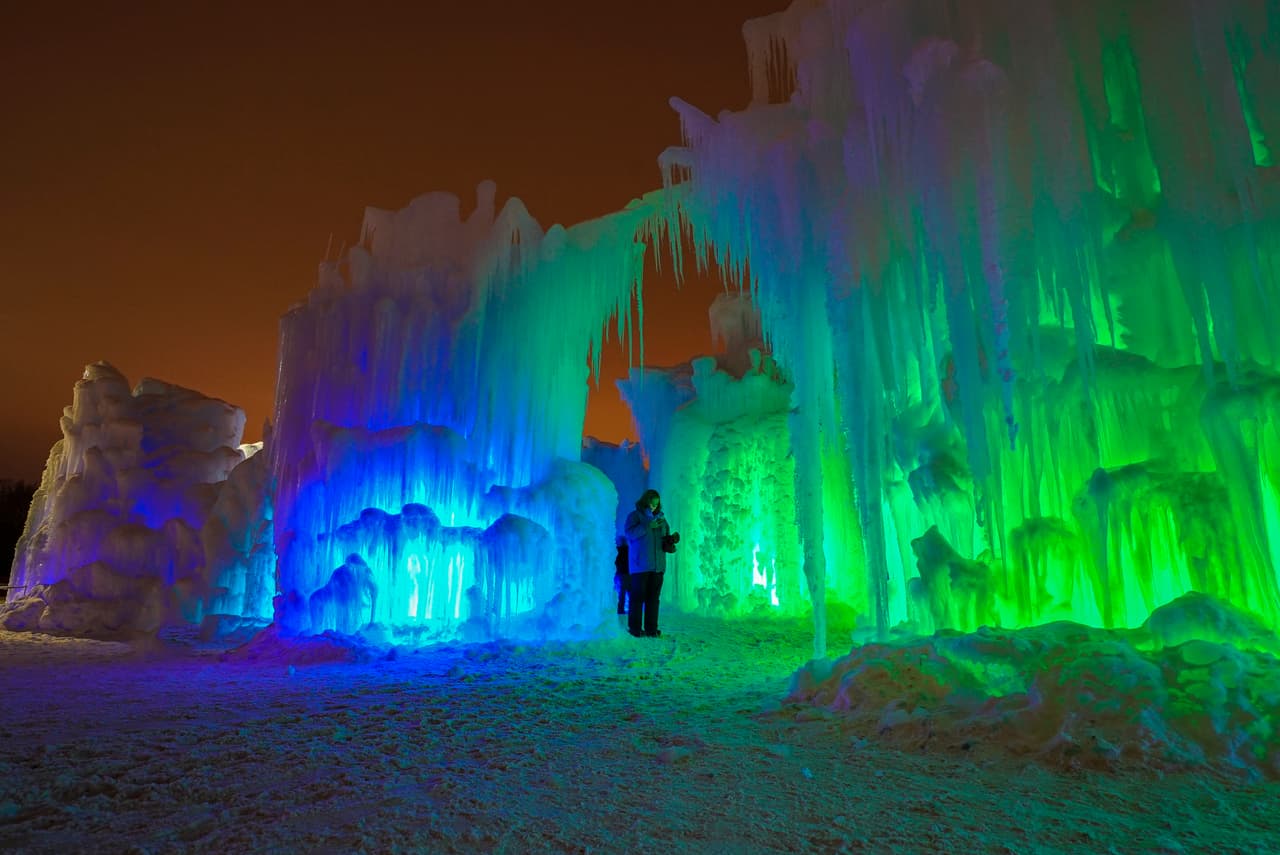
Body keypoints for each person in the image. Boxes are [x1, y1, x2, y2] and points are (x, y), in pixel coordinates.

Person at [623, 489, 674, 638]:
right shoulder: (635, 516)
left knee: (653, 599)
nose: (654, 507)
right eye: (652, 504)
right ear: (645, 501)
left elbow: (664, 536)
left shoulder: (662, 519)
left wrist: (670, 541)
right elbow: (629, 534)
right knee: (637, 598)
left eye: (656, 504)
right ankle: (635, 629)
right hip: (640, 565)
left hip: (658, 566)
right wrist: (647, 526)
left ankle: (651, 629)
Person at [613, 535, 630, 615]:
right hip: (628, 572)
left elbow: (616, 562)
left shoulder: (618, 550)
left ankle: (621, 609)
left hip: (622, 572)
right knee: (628, 590)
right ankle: (630, 608)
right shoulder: (629, 550)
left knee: (623, 591)